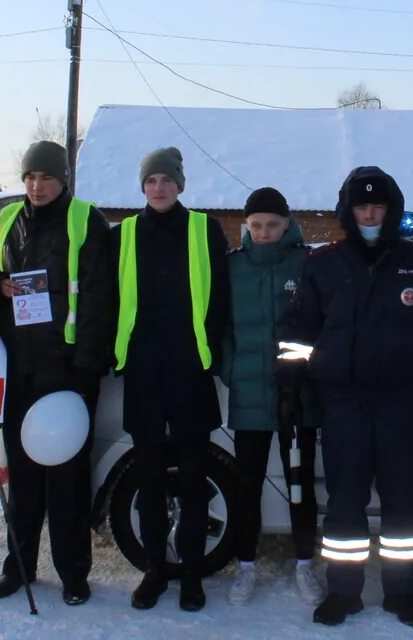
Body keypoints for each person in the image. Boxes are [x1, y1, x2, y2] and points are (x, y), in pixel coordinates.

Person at [277, 166, 413, 628]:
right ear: (349, 211)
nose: (370, 213)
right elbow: (298, 331)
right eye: (362, 206)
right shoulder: (322, 264)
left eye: (378, 206)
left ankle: (402, 593)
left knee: (403, 502)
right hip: (342, 403)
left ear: (391, 210)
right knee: (344, 501)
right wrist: (288, 383)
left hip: (400, 402)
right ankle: (343, 593)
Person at [0, 141, 116, 607]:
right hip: (19, 366)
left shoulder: (86, 220)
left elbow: (99, 298)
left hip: (69, 370)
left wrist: (86, 368)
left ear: (64, 181)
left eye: (47, 178)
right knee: (24, 476)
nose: (37, 186)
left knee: (68, 478)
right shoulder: (4, 220)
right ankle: (18, 568)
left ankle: (74, 574)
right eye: (30, 177)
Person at [114, 147, 231, 613]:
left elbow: (219, 298)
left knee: (193, 476)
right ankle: (155, 570)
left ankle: (191, 575)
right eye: (151, 180)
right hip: (142, 370)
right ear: (142, 186)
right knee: (149, 477)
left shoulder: (205, 229)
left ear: (180, 185)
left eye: (166, 180)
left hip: (190, 370)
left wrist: (209, 354)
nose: (158, 188)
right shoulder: (121, 234)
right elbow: (107, 299)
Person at [219, 186, 325, 607]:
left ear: (287, 224)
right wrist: (231, 370)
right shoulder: (233, 268)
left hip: (298, 395)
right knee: (246, 485)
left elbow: (320, 325)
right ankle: (245, 565)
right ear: (246, 227)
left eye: (272, 225)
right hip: (248, 394)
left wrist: (304, 376)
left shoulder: (307, 264)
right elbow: (221, 326)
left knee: (300, 483)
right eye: (256, 225)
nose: (264, 232)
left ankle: (304, 563)